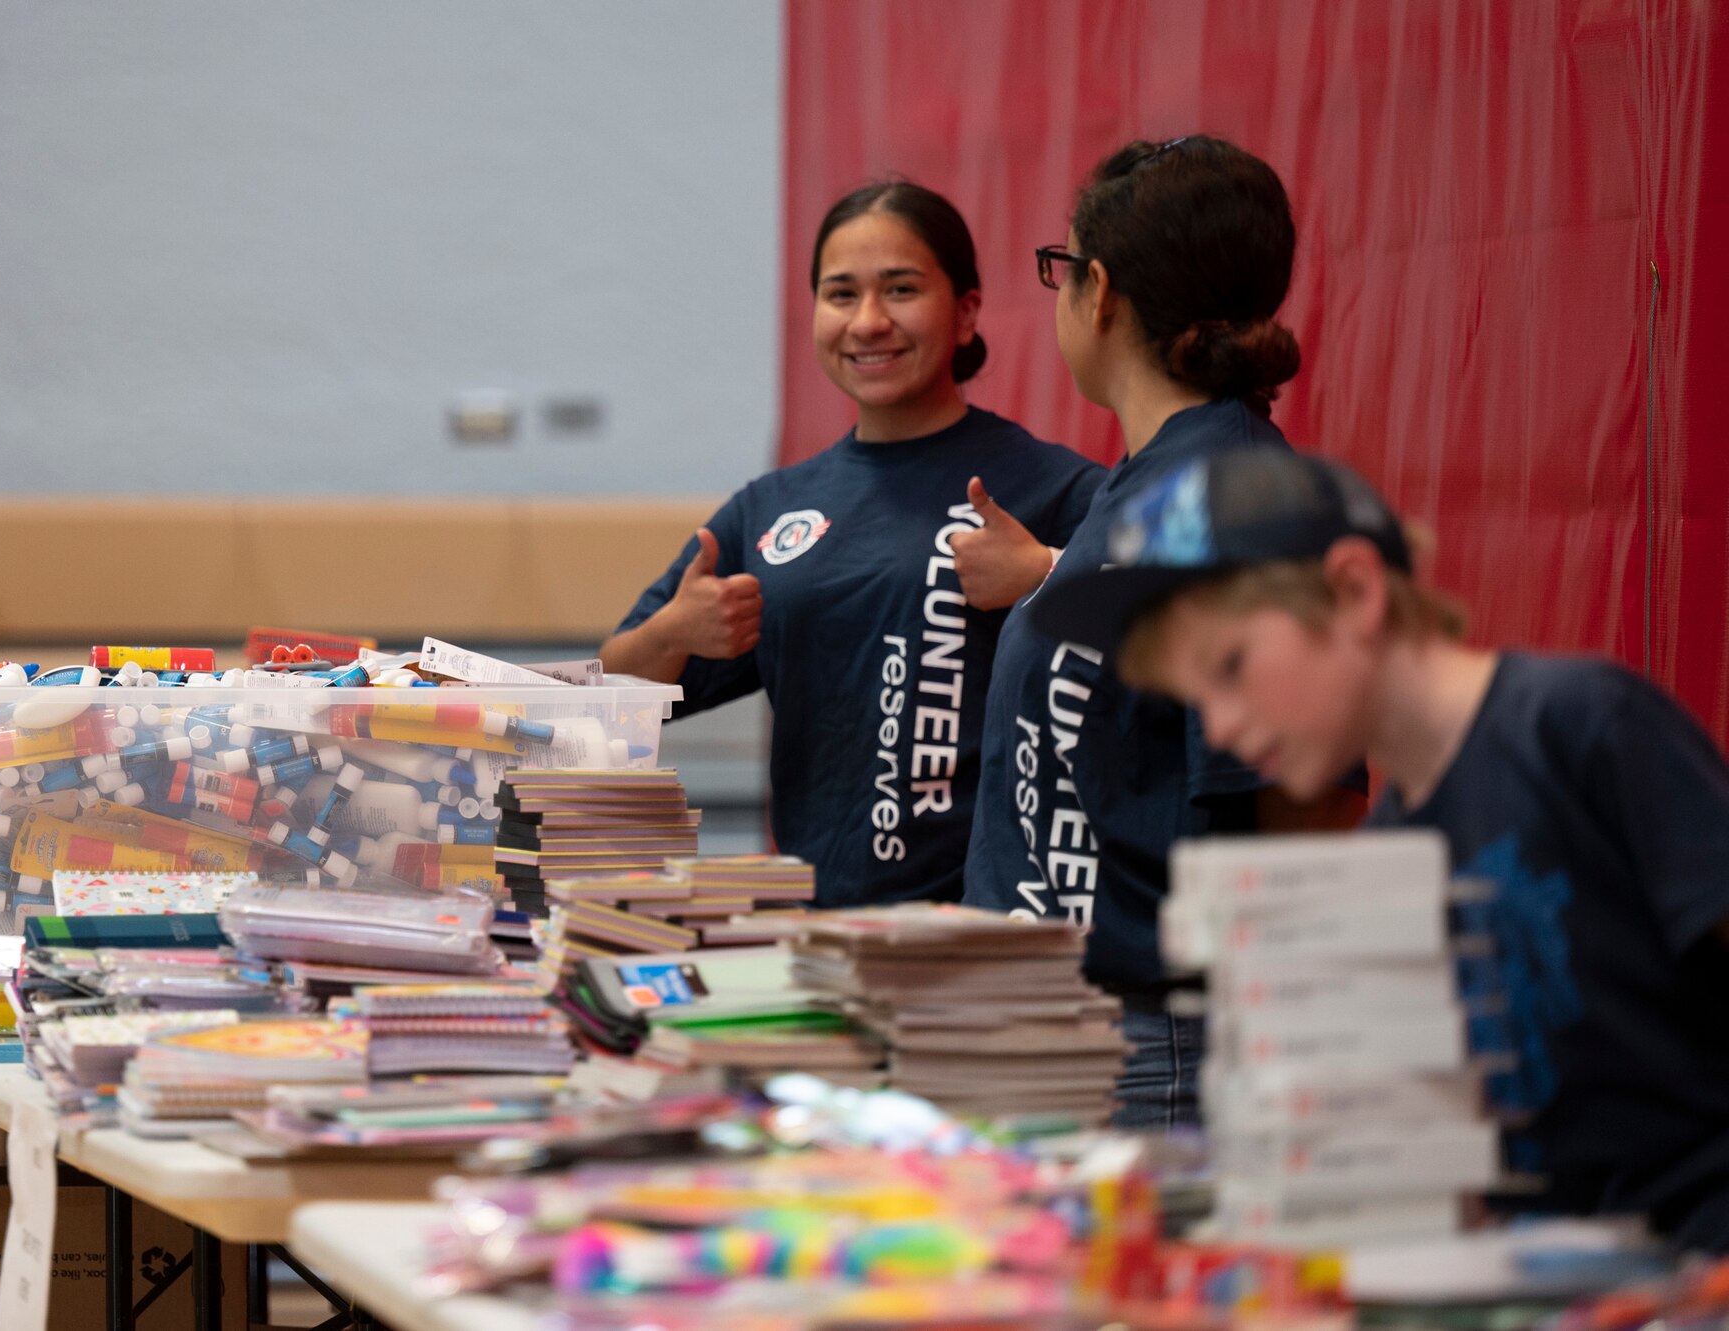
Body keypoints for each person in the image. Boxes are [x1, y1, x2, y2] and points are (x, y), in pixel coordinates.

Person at [1034, 446, 1729, 1254]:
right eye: (1196, 698)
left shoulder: (1579, 724)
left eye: (1231, 667)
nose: (1216, 727)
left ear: (1355, 591)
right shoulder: (1390, 845)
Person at [963, 135, 1360, 1130]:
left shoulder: (1239, 501)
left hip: (1154, 1048)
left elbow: (1299, 804)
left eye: (1058, 269)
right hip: (1063, 1024)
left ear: (1097, 292)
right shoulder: (1148, 480)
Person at [601, 181, 1104, 907]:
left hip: (987, 937)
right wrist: (676, 632)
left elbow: (1155, 651)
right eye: (841, 294)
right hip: (811, 932)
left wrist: (1044, 576)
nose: (869, 321)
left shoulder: (1055, 490)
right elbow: (610, 697)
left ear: (965, 313)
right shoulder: (769, 511)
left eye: (901, 289)